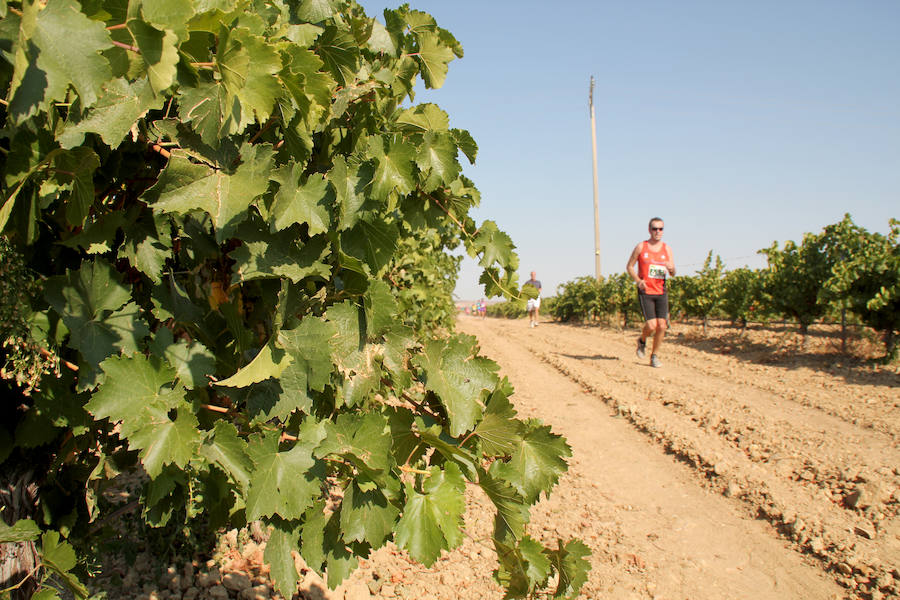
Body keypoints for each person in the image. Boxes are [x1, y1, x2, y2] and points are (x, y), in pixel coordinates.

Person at [626, 218, 675, 367]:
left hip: (661, 291)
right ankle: (642, 340)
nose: (658, 232)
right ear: (649, 230)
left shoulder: (667, 249)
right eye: (655, 229)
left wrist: (671, 268)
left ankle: (654, 356)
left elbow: (673, 272)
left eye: (661, 229)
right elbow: (629, 266)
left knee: (662, 325)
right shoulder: (641, 247)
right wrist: (638, 281)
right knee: (652, 325)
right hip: (646, 291)